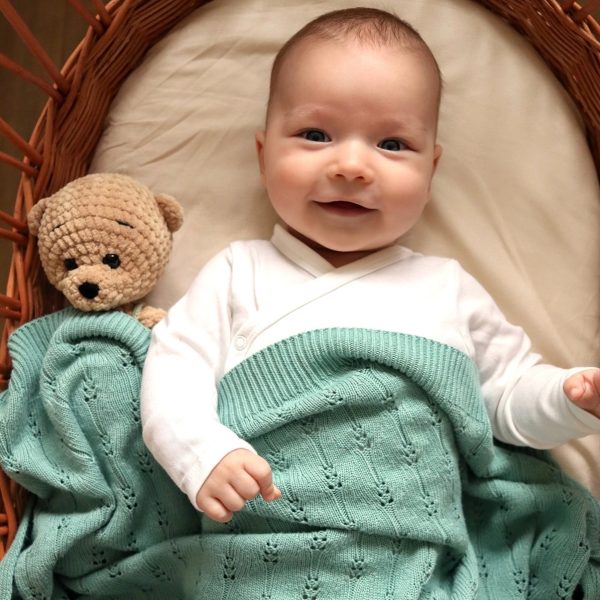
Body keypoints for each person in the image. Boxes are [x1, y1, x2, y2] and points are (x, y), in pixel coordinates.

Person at [140, 7, 600, 528]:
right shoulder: (238, 272)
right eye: (316, 135)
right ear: (263, 157)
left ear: (431, 170)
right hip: (265, 530)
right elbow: (174, 370)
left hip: (417, 540)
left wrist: (570, 398)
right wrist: (201, 453)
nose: (352, 167)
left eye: (392, 144)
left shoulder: (445, 287)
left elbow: (508, 396)